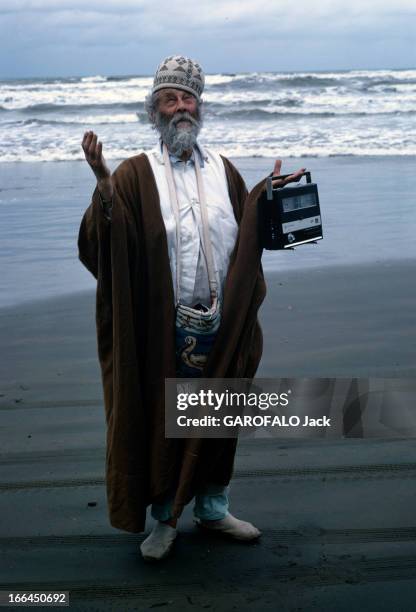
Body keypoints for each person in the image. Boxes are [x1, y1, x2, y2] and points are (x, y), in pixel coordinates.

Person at [78, 55, 305, 562]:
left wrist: (271, 195)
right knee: (164, 421)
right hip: (165, 326)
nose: (180, 107)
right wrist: (103, 186)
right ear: (153, 110)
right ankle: (164, 521)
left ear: (198, 105)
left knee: (219, 421)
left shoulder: (222, 168)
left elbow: (248, 229)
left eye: (187, 98)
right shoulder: (137, 174)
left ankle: (212, 508)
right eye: (169, 99)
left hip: (221, 324)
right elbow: (104, 246)